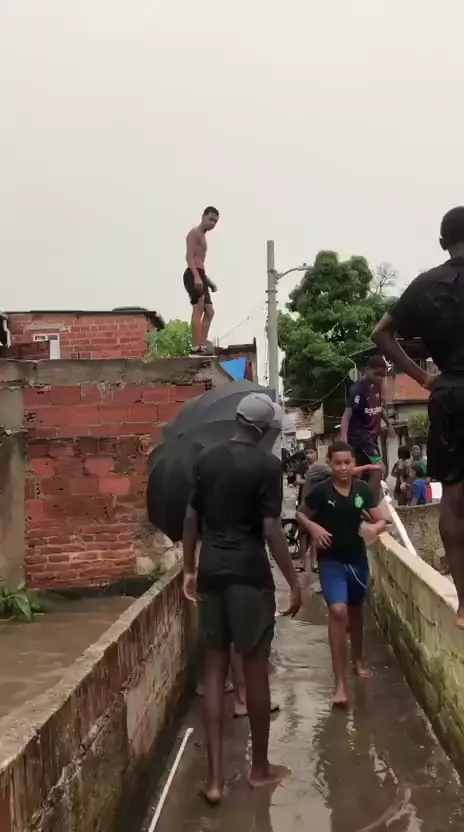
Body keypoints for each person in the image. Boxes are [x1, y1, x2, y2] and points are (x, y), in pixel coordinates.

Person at [182, 393, 302, 804]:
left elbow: (191, 518)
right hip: (249, 576)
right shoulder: (267, 466)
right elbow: (271, 529)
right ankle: (260, 769)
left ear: (236, 421)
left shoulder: (206, 460)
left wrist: (189, 569)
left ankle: (215, 782)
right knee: (254, 669)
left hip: (212, 572)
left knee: (215, 669)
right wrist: (294, 582)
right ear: (264, 429)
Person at [372, 206, 464, 626]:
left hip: (449, 394)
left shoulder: (425, 286)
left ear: (442, 242)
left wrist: (422, 376)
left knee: (453, 499)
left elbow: (380, 333)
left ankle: (463, 605)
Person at [296, 441, 386, 706]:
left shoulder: (362, 490)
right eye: (338, 463)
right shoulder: (321, 491)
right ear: (330, 463)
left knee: (356, 612)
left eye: (348, 462)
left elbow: (381, 519)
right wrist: (313, 527)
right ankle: (340, 684)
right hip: (331, 561)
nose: (343, 467)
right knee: (338, 611)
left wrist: (374, 529)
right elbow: (300, 515)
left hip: (357, 561)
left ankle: (358, 660)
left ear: (353, 463)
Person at [340, 355, 395, 502]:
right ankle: (371, 504)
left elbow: (379, 408)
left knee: (363, 472)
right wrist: (344, 440)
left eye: (382, 375)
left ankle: (357, 502)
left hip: (372, 438)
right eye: (376, 374)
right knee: (379, 468)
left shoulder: (377, 387)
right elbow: (346, 415)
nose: (379, 378)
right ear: (367, 369)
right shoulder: (358, 389)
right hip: (361, 437)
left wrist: (389, 425)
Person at [184, 207, 219, 355]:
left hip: (201, 274)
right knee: (198, 308)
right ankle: (196, 346)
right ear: (203, 217)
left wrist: (208, 281)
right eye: (210, 219)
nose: (212, 223)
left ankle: (202, 345)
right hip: (192, 274)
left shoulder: (204, 238)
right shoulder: (194, 233)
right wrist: (197, 276)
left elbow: (201, 263)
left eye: (215, 221)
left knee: (209, 311)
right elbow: (189, 257)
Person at [295, 447, 317, 572]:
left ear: (316, 453)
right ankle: (303, 562)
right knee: (302, 533)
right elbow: (298, 480)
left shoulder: (320, 467)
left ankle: (313, 563)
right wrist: (311, 481)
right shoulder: (303, 466)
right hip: (303, 502)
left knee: (313, 533)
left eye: (311, 452)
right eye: (306, 453)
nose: (308, 455)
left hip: (316, 503)